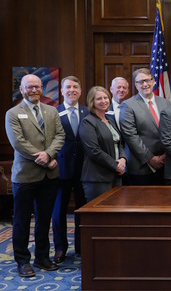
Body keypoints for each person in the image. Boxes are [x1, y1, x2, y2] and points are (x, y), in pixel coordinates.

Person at [5, 74, 65, 277]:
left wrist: (49, 155)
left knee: (44, 219)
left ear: (42, 88)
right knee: (21, 220)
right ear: (22, 89)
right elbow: (18, 142)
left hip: (49, 175)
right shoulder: (13, 113)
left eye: (37, 87)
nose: (34, 90)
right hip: (25, 176)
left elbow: (60, 135)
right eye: (30, 87)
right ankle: (22, 261)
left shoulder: (51, 110)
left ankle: (42, 257)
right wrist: (43, 157)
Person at [53, 76, 88, 263]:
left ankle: (82, 246)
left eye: (75, 87)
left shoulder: (87, 112)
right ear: (62, 90)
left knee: (82, 210)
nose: (72, 90)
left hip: (84, 170)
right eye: (68, 87)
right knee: (59, 211)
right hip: (61, 168)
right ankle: (60, 248)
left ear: (80, 91)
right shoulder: (53, 112)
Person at [119, 68, 171, 185]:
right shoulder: (128, 105)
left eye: (148, 80)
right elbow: (131, 136)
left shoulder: (165, 102)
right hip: (141, 167)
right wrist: (150, 159)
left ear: (153, 82)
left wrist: (165, 156)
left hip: (165, 164)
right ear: (136, 85)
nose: (145, 84)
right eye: (140, 82)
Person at [79, 86, 126, 202]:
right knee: (99, 217)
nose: (104, 101)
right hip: (97, 178)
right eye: (99, 99)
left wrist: (123, 159)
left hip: (116, 175)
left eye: (106, 98)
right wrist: (116, 166)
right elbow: (94, 151)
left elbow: (119, 143)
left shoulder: (110, 120)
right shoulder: (88, 122)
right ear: (92, 102)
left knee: (116, 214)